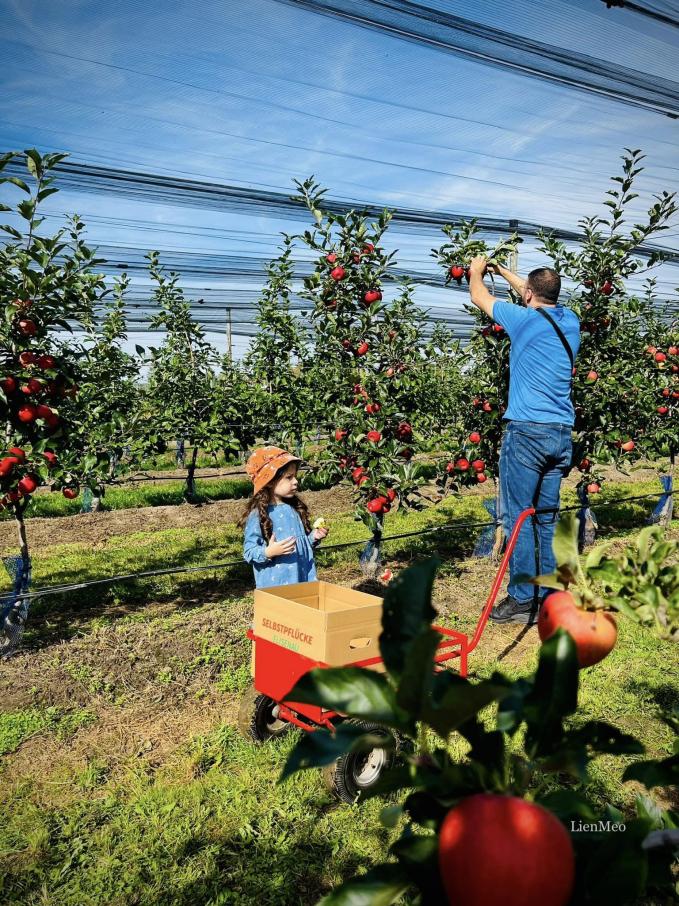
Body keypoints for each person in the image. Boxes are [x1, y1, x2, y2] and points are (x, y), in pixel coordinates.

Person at [465, 256, 580, 624]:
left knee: (518, 518)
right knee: (546, 518)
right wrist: (504, 272)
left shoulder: (522, 319)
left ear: (529, 294)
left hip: (527, 433)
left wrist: (478, 269)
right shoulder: (571, 321)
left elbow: (478, 296)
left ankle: (520, 599)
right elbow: (534, 292)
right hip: (560, 435)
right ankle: (549, 597)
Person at [240, 446, 329, 589]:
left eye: (295, 476)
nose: (295, 481)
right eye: (289, 477)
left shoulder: (293, 508)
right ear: (269, 481)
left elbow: (300, 545)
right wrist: (268, 552)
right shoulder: (259, 514)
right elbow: (249, 552)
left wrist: (313, 537)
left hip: (303, 580)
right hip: (277, 587)